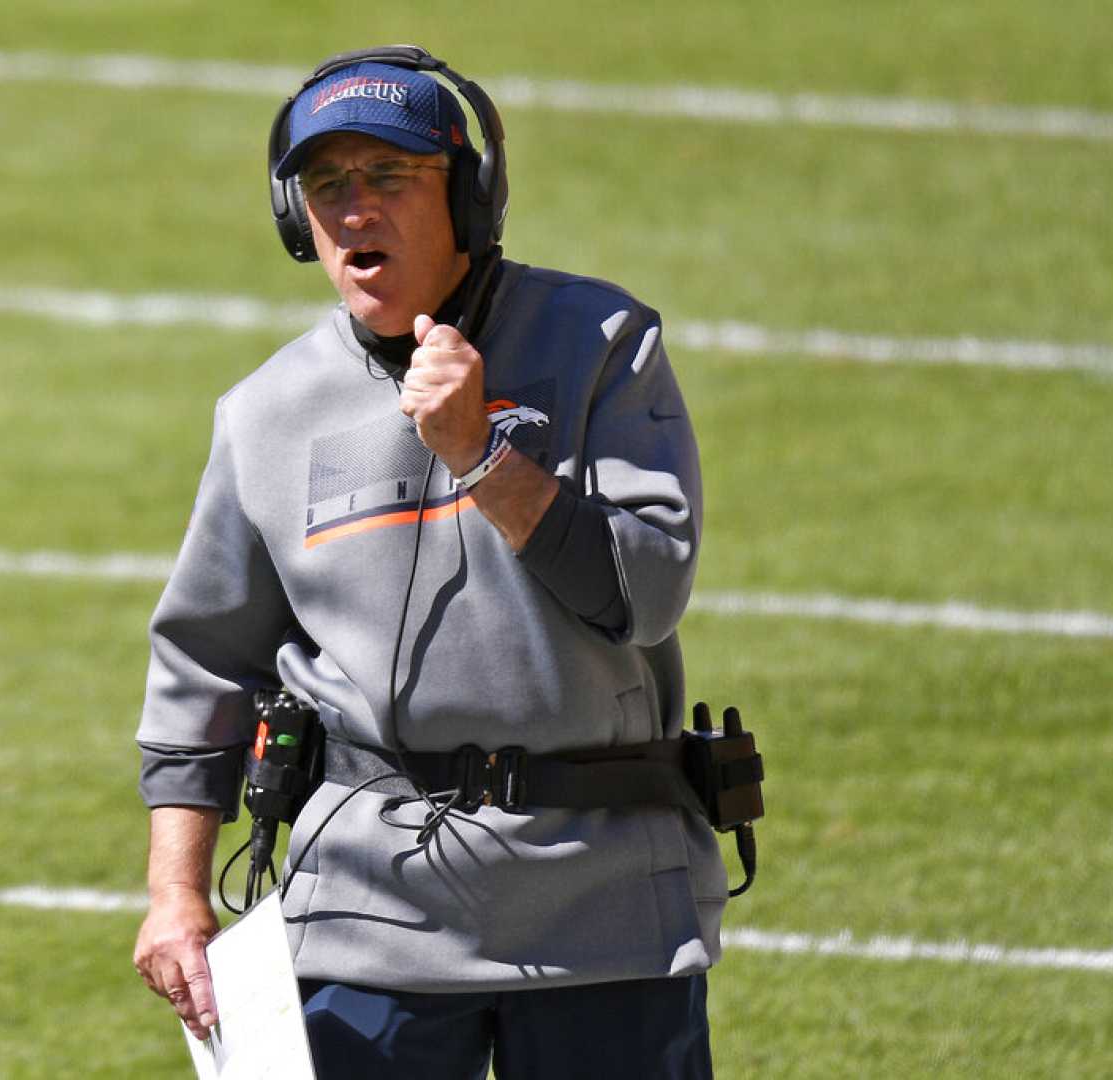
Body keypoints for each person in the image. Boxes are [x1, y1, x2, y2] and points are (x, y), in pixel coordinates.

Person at [133, 46, 725, 1079]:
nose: (354, 209)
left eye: (390, 177)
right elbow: (204, 666)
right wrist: (175, 896)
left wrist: (483, 456)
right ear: (294, 219)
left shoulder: (600, 342)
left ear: (469, 196)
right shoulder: (264, 415)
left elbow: (643, 592)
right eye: (326, 186)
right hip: (360, 909)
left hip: (604, 899)